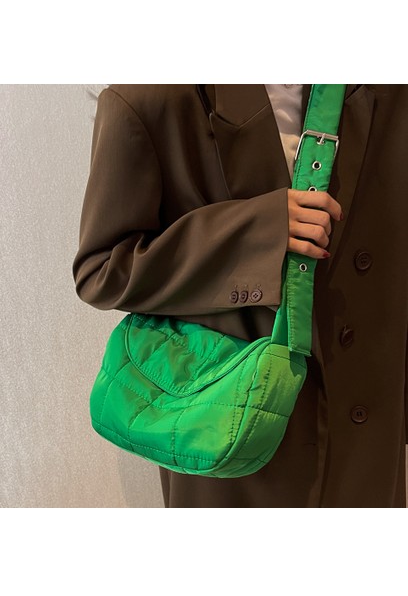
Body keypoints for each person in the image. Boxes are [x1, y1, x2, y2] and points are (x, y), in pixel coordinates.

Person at [72, 84, 408, 507]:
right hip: (235, 431)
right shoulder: (152, 95)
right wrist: (258, 231)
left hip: (366, 434)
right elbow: (103, 269)